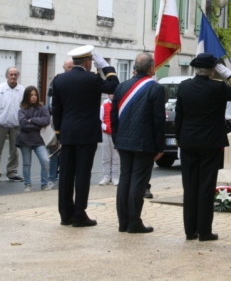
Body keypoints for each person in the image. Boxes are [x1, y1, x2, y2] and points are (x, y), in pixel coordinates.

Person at [52, 45, 118, 227]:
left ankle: (66, 215)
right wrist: (106, 67)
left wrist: (59, 133)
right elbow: (114, 86)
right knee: (82, 175)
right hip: (87, 134)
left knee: (65, 175)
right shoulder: (92, 79)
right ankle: (79, 214)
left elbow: (56, 110)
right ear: (88, 62)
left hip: (66, 132)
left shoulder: (59, 80)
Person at [176, 53, 231, 241]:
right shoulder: (218, 87)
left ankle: (189, 230)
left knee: (190, 186)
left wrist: (179, 139)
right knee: (206, 186)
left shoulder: (184, 86)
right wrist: (226, 73)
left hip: (188, 142)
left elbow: (179, 117)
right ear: (212, 71)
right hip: (210, 143)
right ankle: (204, 231)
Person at [111, 53, 165, 234]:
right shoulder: (155, 88)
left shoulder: (121, 87)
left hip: (124, 141)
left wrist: (116, 140)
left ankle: (123, 222)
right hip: (144, 143)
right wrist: (159, 147)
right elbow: (158, 120)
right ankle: (134, 222)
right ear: (151, 69)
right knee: (138, 182)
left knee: (125, 179)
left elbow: (113, 117)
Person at [0, 67, 24, 183]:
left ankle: (12, 172)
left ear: (18, 75)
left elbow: (24, 106)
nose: (13, 77)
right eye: (11, 74)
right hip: (1, 123)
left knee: (14, 150)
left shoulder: (22, 90)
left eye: (15, 74)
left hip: (16, 124)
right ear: (6, 75)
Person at [16, 86, 52, 192]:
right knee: (27, 163)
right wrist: (37, 125)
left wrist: (32, 120)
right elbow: (23, 124)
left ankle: (44, 184)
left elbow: (46, 121)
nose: (33, 97)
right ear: (27, 96)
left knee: (45, 160)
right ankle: (27, 184)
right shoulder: (22, 109)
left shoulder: (42, 108)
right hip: (24, 140)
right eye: (31, 95)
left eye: (35, 95)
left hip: (38, 140)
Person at [47, 58, 74, 184]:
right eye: (68, 67)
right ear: (63, 67)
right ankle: (52, 177)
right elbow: (51, 102)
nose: (71, 69)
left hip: (70, 121)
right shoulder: (57, 80)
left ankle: (65, 175)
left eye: (72, 67)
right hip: (57, 119)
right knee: (54, 149)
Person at [99, 94, 120, 186]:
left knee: (116, 157)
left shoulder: (119, 105)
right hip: (106, 133)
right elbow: (99, 119)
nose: (113, 95)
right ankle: (106, 176)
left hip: (116, 134)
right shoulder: (104, 105)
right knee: (106, 156)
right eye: (111, 94)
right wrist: (104, 126)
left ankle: (115, 177)